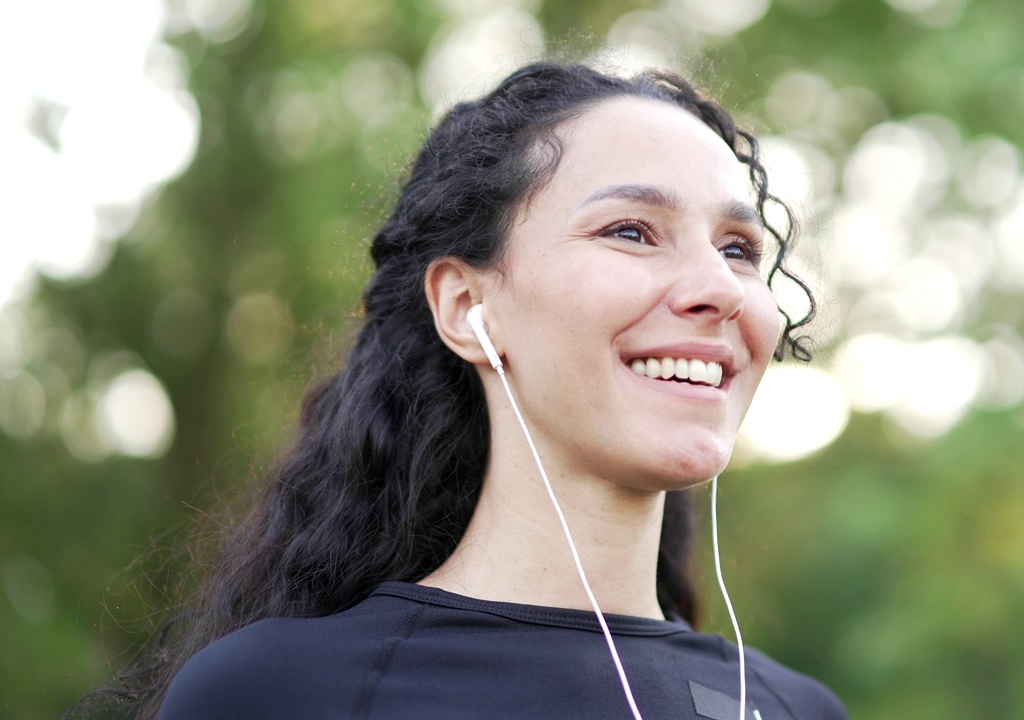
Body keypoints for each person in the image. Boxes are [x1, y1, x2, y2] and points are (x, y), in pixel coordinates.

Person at [98, 61, 845, 719]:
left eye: (739, 249)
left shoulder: (797, 710)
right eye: (631, 231)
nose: (719, 288)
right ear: (465, 307)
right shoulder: (281, 693)